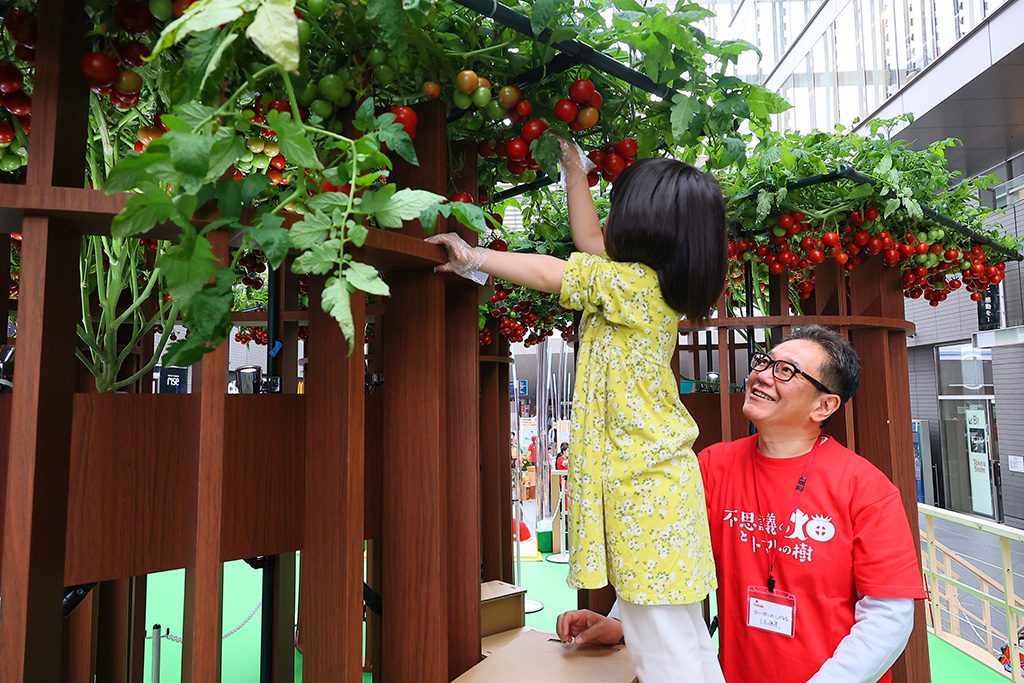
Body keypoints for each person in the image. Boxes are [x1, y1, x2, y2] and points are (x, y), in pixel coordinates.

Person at [427, 142, 729, 682]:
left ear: (648, 226)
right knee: (675, 636)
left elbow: (554, 271)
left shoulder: (630, 285)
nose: (607, 217)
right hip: (656, 484)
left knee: (668, 655)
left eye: (619, 206)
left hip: (643, 484)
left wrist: (476, 257)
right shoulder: (649, 285)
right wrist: (573, 172)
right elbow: (589, 242)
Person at [557, 325, 926, 683]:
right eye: (765, 363)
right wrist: (621, 622)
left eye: (786, 371)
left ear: (823, 405)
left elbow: (888, 616)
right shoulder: (711, 467)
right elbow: (667, 558)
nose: (763, 375)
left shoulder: (866, 488)